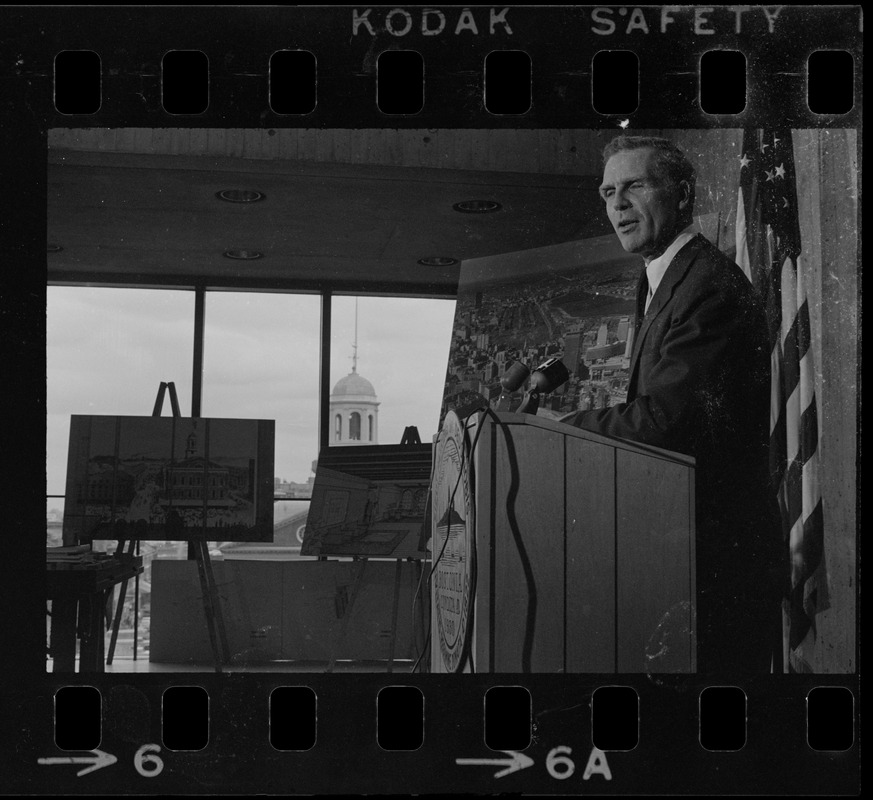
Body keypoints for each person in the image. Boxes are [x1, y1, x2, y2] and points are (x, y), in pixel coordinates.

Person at [562, 135, 783, 673]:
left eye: (634, 186)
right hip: (687, 555)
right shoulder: (666, 279)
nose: (617, 205)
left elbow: (666, 421)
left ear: (681, 194)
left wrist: (561, 427)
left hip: (719, 564)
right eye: (608, 191)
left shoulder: (707, 286)